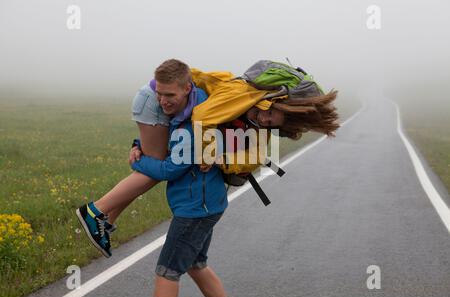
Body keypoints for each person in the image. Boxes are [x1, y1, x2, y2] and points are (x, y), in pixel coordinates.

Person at [75, 59, 339, 258]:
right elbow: (200, 117)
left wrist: (220, 158)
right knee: (157, 168)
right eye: (269, 113)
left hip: (168, 102)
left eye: (271, 122)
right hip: (160, 98)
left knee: (157, 163)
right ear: (274, 99)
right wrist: (208, 153)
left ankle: (106, 220)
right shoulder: (242, 96)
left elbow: (248, 153)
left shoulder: (256, 118)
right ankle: (95, 211)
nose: (265, 119)